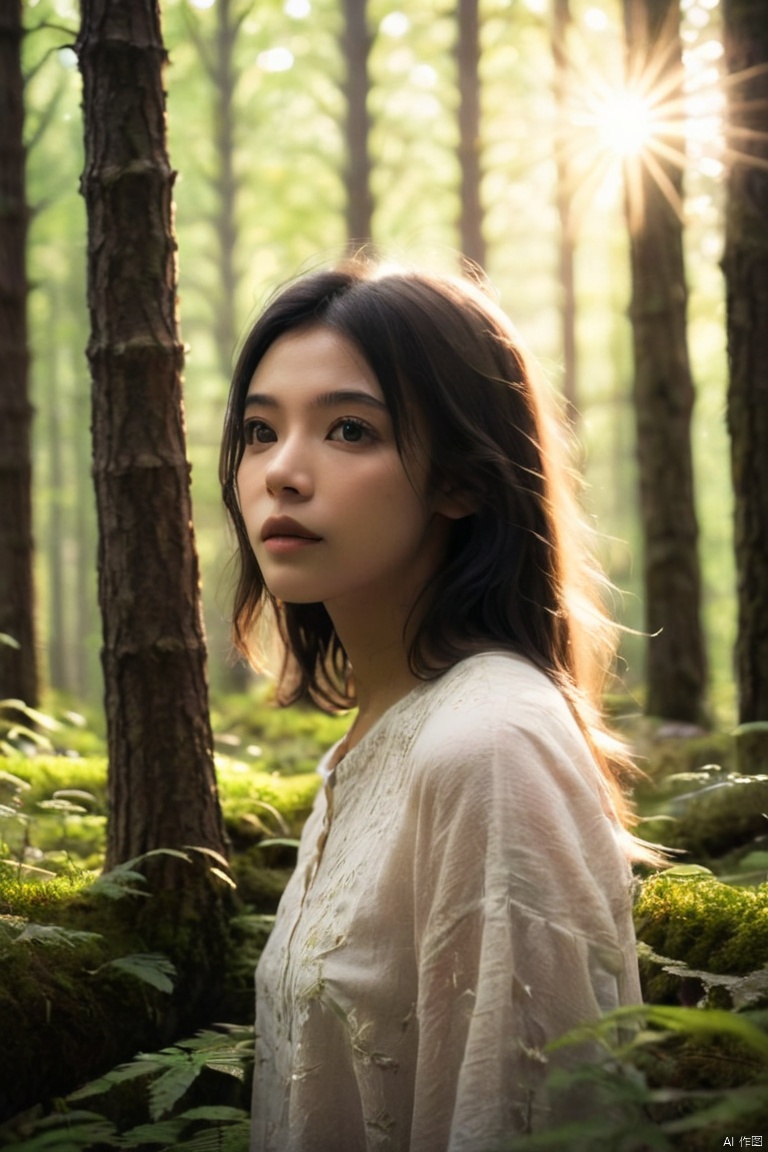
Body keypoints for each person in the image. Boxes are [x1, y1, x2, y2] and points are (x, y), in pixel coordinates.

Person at [220, 259, 645, 1152]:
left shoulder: (489, 743)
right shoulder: (371, 745)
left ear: (462, 480)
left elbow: (524, 1113)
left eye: (347, 430)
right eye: (260, 431)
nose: (282, 474)